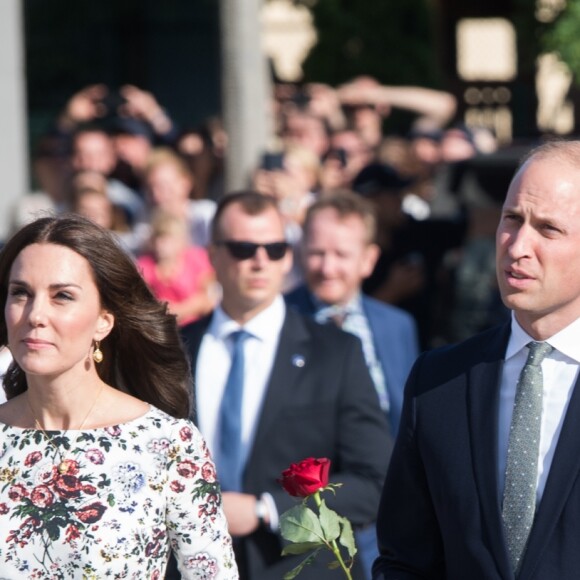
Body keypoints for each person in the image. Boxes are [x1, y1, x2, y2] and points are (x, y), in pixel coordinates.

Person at [373, 139, 580, 579]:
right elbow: (406, 559)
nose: (518, 245)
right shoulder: (438, 381)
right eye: (512, 219)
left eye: (548, 229)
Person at [0, 214, 237, 578]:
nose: (35, 314)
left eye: (62, 296)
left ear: (104, 321)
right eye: (21, 292)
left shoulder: (168, 444)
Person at [175, 191, 391, 580]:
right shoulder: (171, 351)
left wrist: (266, 509)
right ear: (213, 254)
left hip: (300, 567)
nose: (260, 261)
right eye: (243, 248)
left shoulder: (336, 353)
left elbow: (374, 483)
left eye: (274, 249)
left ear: (288, 256)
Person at [284, 191, 419, 579]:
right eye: (316, 252)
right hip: (308, 522)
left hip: (388, 519)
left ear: (369, 259)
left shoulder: (397, 326)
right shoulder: (280, 321)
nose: (327, 267)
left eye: (341, 254)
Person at [137, 210, 217, 326]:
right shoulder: (144, 265)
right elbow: (140, 303)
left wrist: (179, 310)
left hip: (196, 327)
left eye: (165, 239)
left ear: (179, 240)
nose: (160, 245)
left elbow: (210, 299)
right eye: (157, 239)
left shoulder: (196, 259)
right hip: (160, 328)